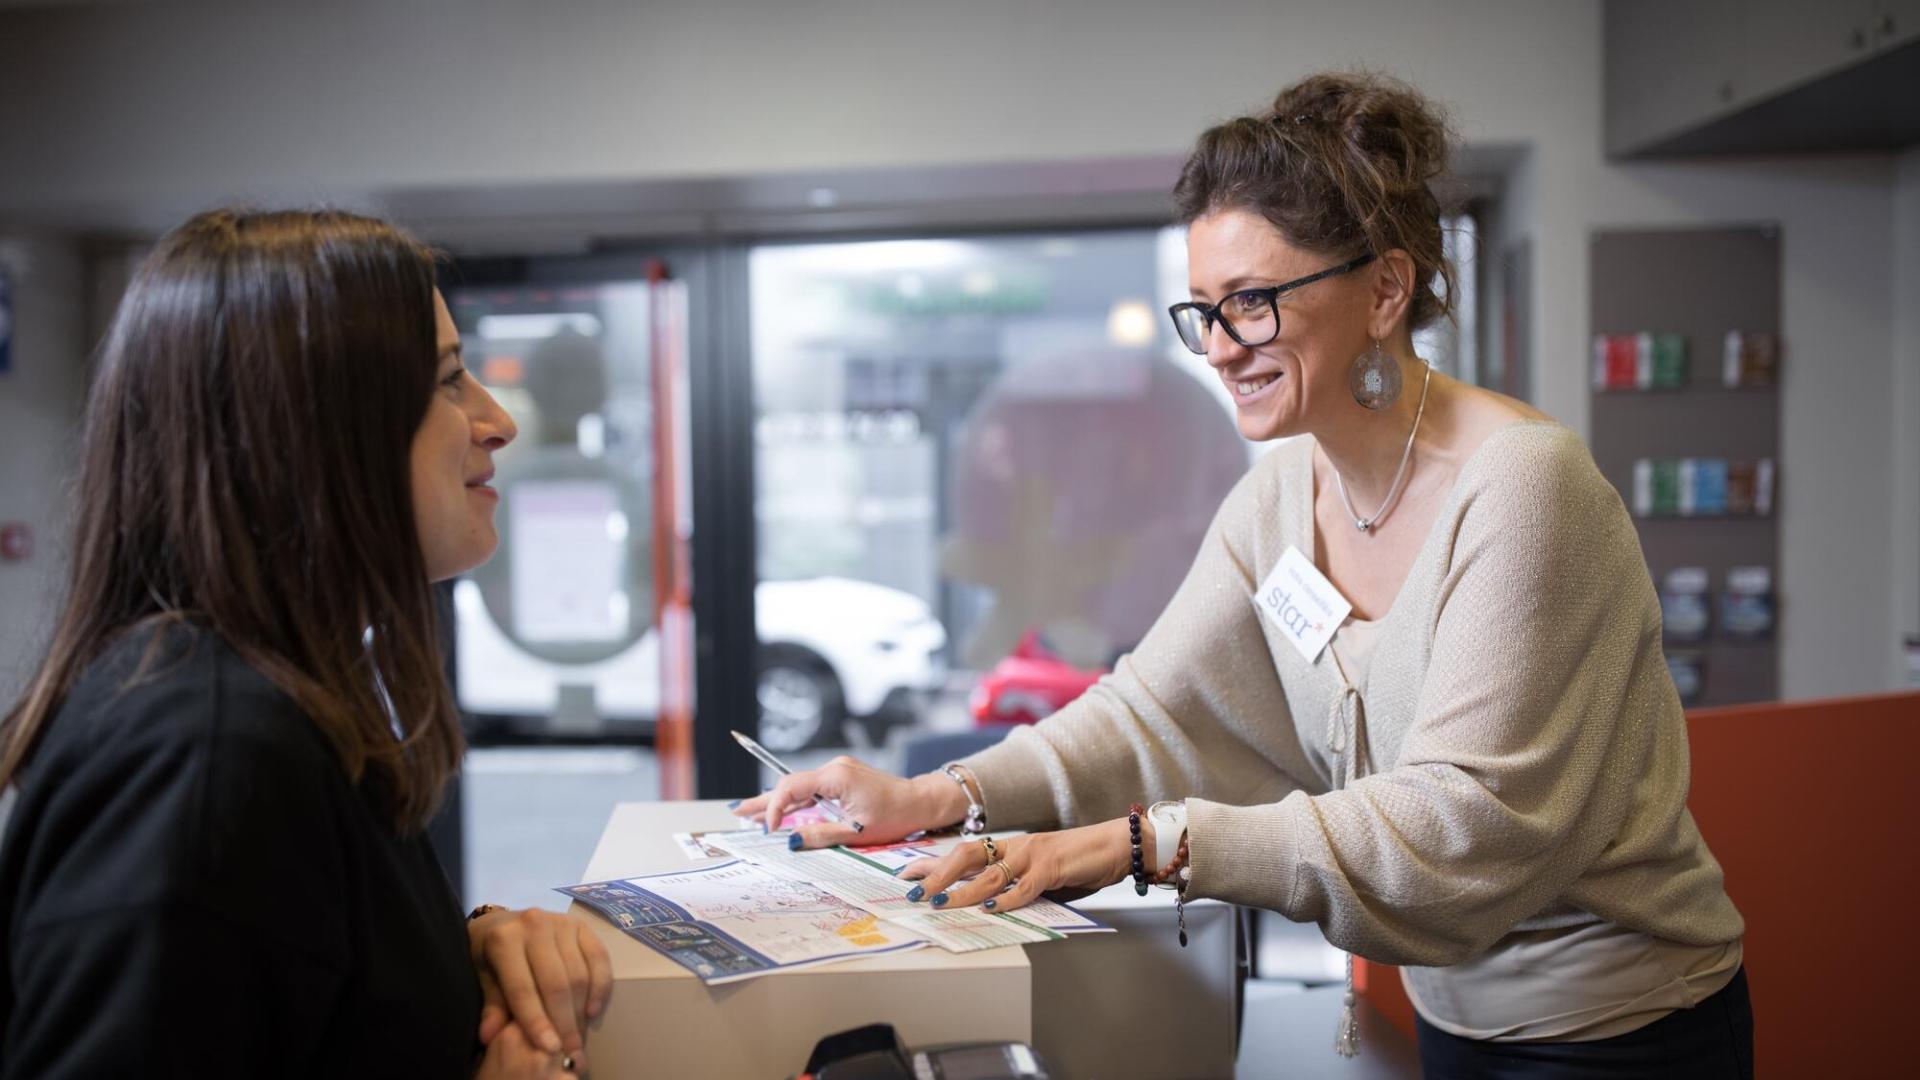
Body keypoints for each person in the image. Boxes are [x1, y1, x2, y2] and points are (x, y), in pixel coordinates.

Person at [741, 73, 1753, 1077]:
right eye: (1204, 312)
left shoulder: (1525, 491)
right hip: (1455, 1016)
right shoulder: (1279, 502)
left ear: (1385, 290)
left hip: (1625, 1029)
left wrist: (1147, 844)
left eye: (1254, 304)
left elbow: (1460, 830)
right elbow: (1147, 711)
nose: (1221, 349)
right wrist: (934, 795)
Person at [0, 209, 610, 1078]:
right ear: (313, 428)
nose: (497, 419)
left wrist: (461, 963)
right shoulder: (206, 757)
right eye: (447, 381)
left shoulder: (276, 702)